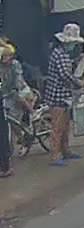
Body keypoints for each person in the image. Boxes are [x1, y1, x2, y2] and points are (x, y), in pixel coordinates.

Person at [45, 23, 84, 167]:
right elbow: (65, 75)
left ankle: (65, 150)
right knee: (57, 127)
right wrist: (78, 83)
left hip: (63, 95)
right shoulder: (60, 54)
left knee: (65, 126)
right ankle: (55, 155)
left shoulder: (62, 54)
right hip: (58, 96)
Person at [1, 42, 37, 178]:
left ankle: (33, 113)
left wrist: (14, 90)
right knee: (9, 120)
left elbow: (18, 80)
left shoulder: (15, 65)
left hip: (21, 90)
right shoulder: (1, 67)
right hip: (7, 94)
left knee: (18, 103)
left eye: (8, 56)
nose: (6, 59)